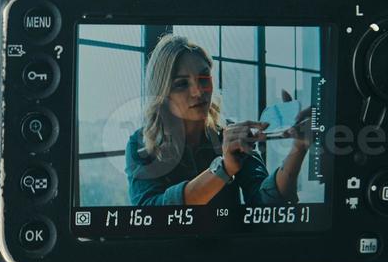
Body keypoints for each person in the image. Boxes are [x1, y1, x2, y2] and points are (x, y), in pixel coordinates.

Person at [125, 33, 311, 208]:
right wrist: (224, 169)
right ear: (162, 92)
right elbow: (150, 213)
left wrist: (299, 148)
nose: (198, 92)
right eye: (182, 83)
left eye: (204, 78)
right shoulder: (141, 143)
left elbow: (264, 203)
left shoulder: (229, 134)